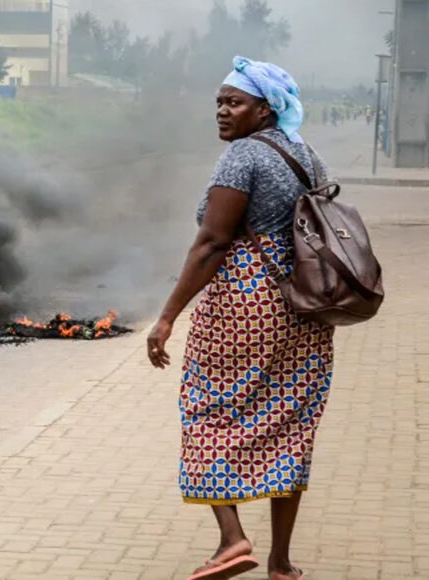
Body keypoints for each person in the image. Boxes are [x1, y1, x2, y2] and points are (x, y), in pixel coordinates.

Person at [147, 56, 333, 580]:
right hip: (305, 307)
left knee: (206, 409)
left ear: (265, 108)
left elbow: (211, 244)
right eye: (219, 103)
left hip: (245, 303)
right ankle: (280, 562)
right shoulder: (308, 155)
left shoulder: (242, 158)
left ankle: (232, 540)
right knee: (292, 425)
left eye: (234, 102)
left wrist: (166, 318)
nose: (223, 113)